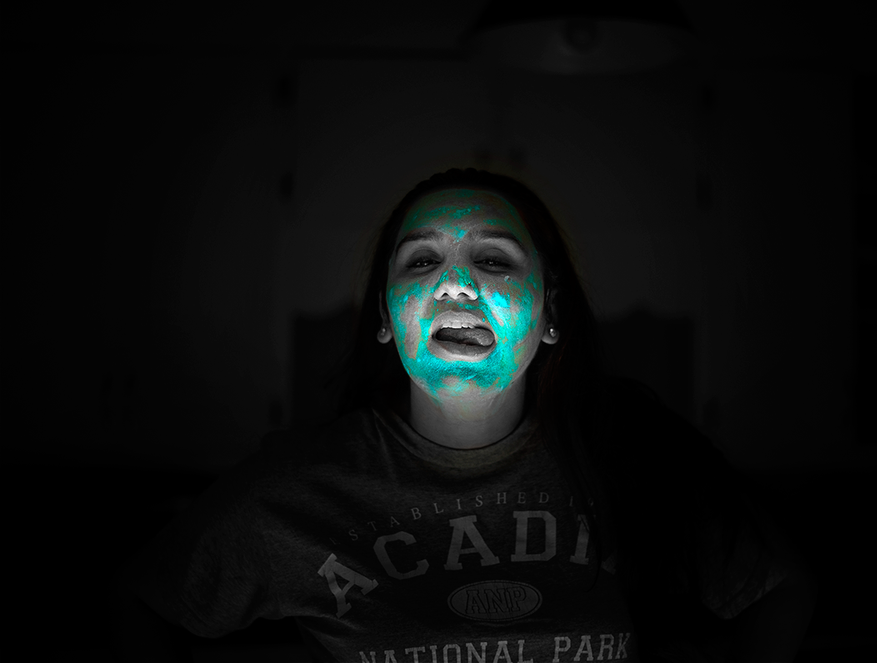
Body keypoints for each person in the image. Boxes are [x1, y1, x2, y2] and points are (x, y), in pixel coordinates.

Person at [111, 168, 817, 662]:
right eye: (420, 262)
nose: (454, 283)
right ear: (386, 318)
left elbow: (782, 587)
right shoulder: (299, 489)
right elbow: (141, 600)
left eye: (494, 260)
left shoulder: (634, 460)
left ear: (550, 314)